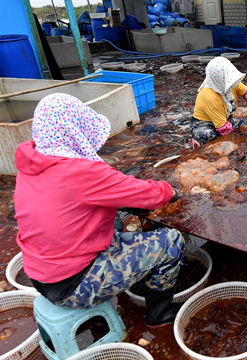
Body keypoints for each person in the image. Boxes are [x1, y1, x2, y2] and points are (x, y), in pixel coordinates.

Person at [14, 93, 186, 328]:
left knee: (112, 213)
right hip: (73, 284)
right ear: (75, 127)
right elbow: (149, 196)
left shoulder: (33, 163)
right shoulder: (79, 171)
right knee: (172, 241)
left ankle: (129, 270)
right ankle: (160, 312)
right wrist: (170, 190)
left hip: (41, 275)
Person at [191, 57, 247, 148]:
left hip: (226, 119)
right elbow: (223, 127)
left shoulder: (230, 82)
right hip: (204, 124)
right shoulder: (209, 96)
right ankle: (198, 143)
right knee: (209, 136)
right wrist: (237, 145)